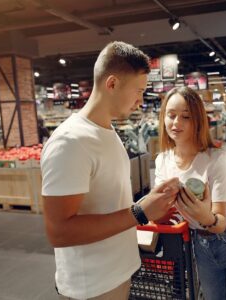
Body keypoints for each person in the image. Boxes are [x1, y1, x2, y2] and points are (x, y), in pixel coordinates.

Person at [41, 41, 179, 300]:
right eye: (138, 91)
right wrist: (140, 212)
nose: (140, 101)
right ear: (112, 84)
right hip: (91, 287)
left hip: (117, 274)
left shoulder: (108, 131)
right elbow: (58, 231)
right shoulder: (70, 142)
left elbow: (110, 204)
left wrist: (149, 207)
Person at [155, 87, 226, 300]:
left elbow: (220, 221)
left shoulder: (216, 159)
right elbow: (161, 211)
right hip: (201, 245)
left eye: (185, 116)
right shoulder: (163, 161)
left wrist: (204, 215)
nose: (176, 122)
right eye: (171, 115)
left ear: (197, 120)